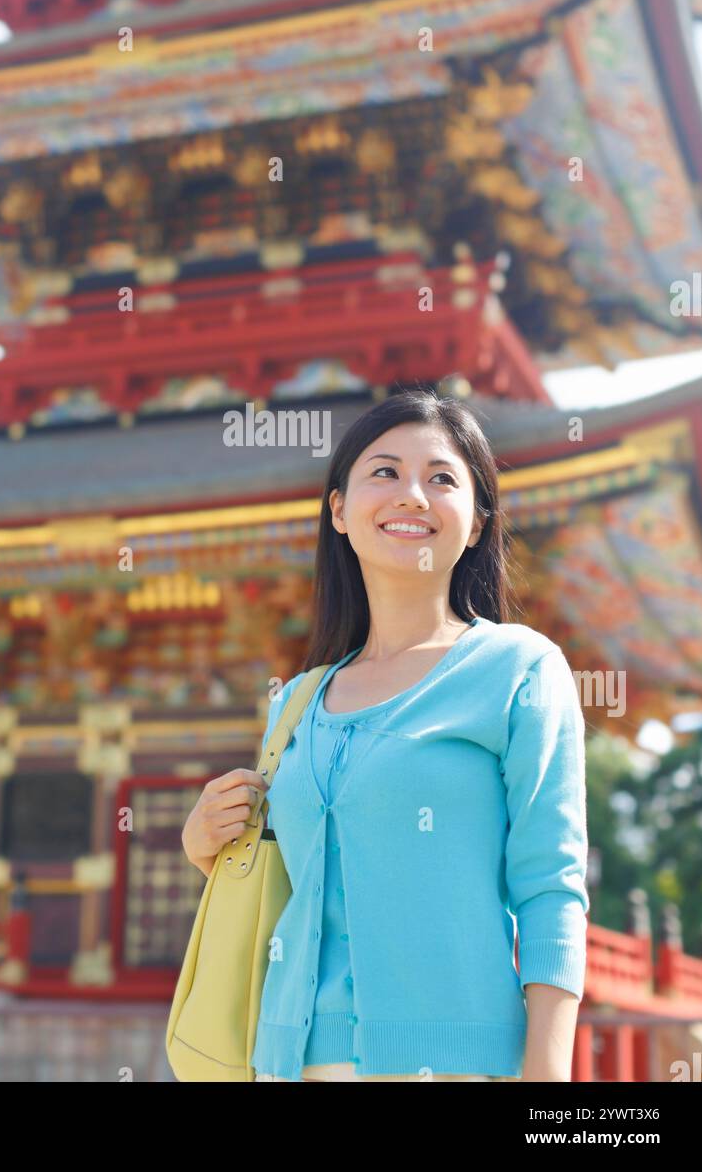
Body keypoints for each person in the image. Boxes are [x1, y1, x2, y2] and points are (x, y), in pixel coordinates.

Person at [181, 386, 589, 1082]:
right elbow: (290, 885)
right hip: (282, 1063)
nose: (412, 496)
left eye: (441, 479)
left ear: (476, 522)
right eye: (384, 472)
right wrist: (204, 847)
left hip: (452, 1066)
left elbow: (551, 885)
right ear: (339, 510)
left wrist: (547, 1083)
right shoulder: (299, 702)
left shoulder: (519, 669)